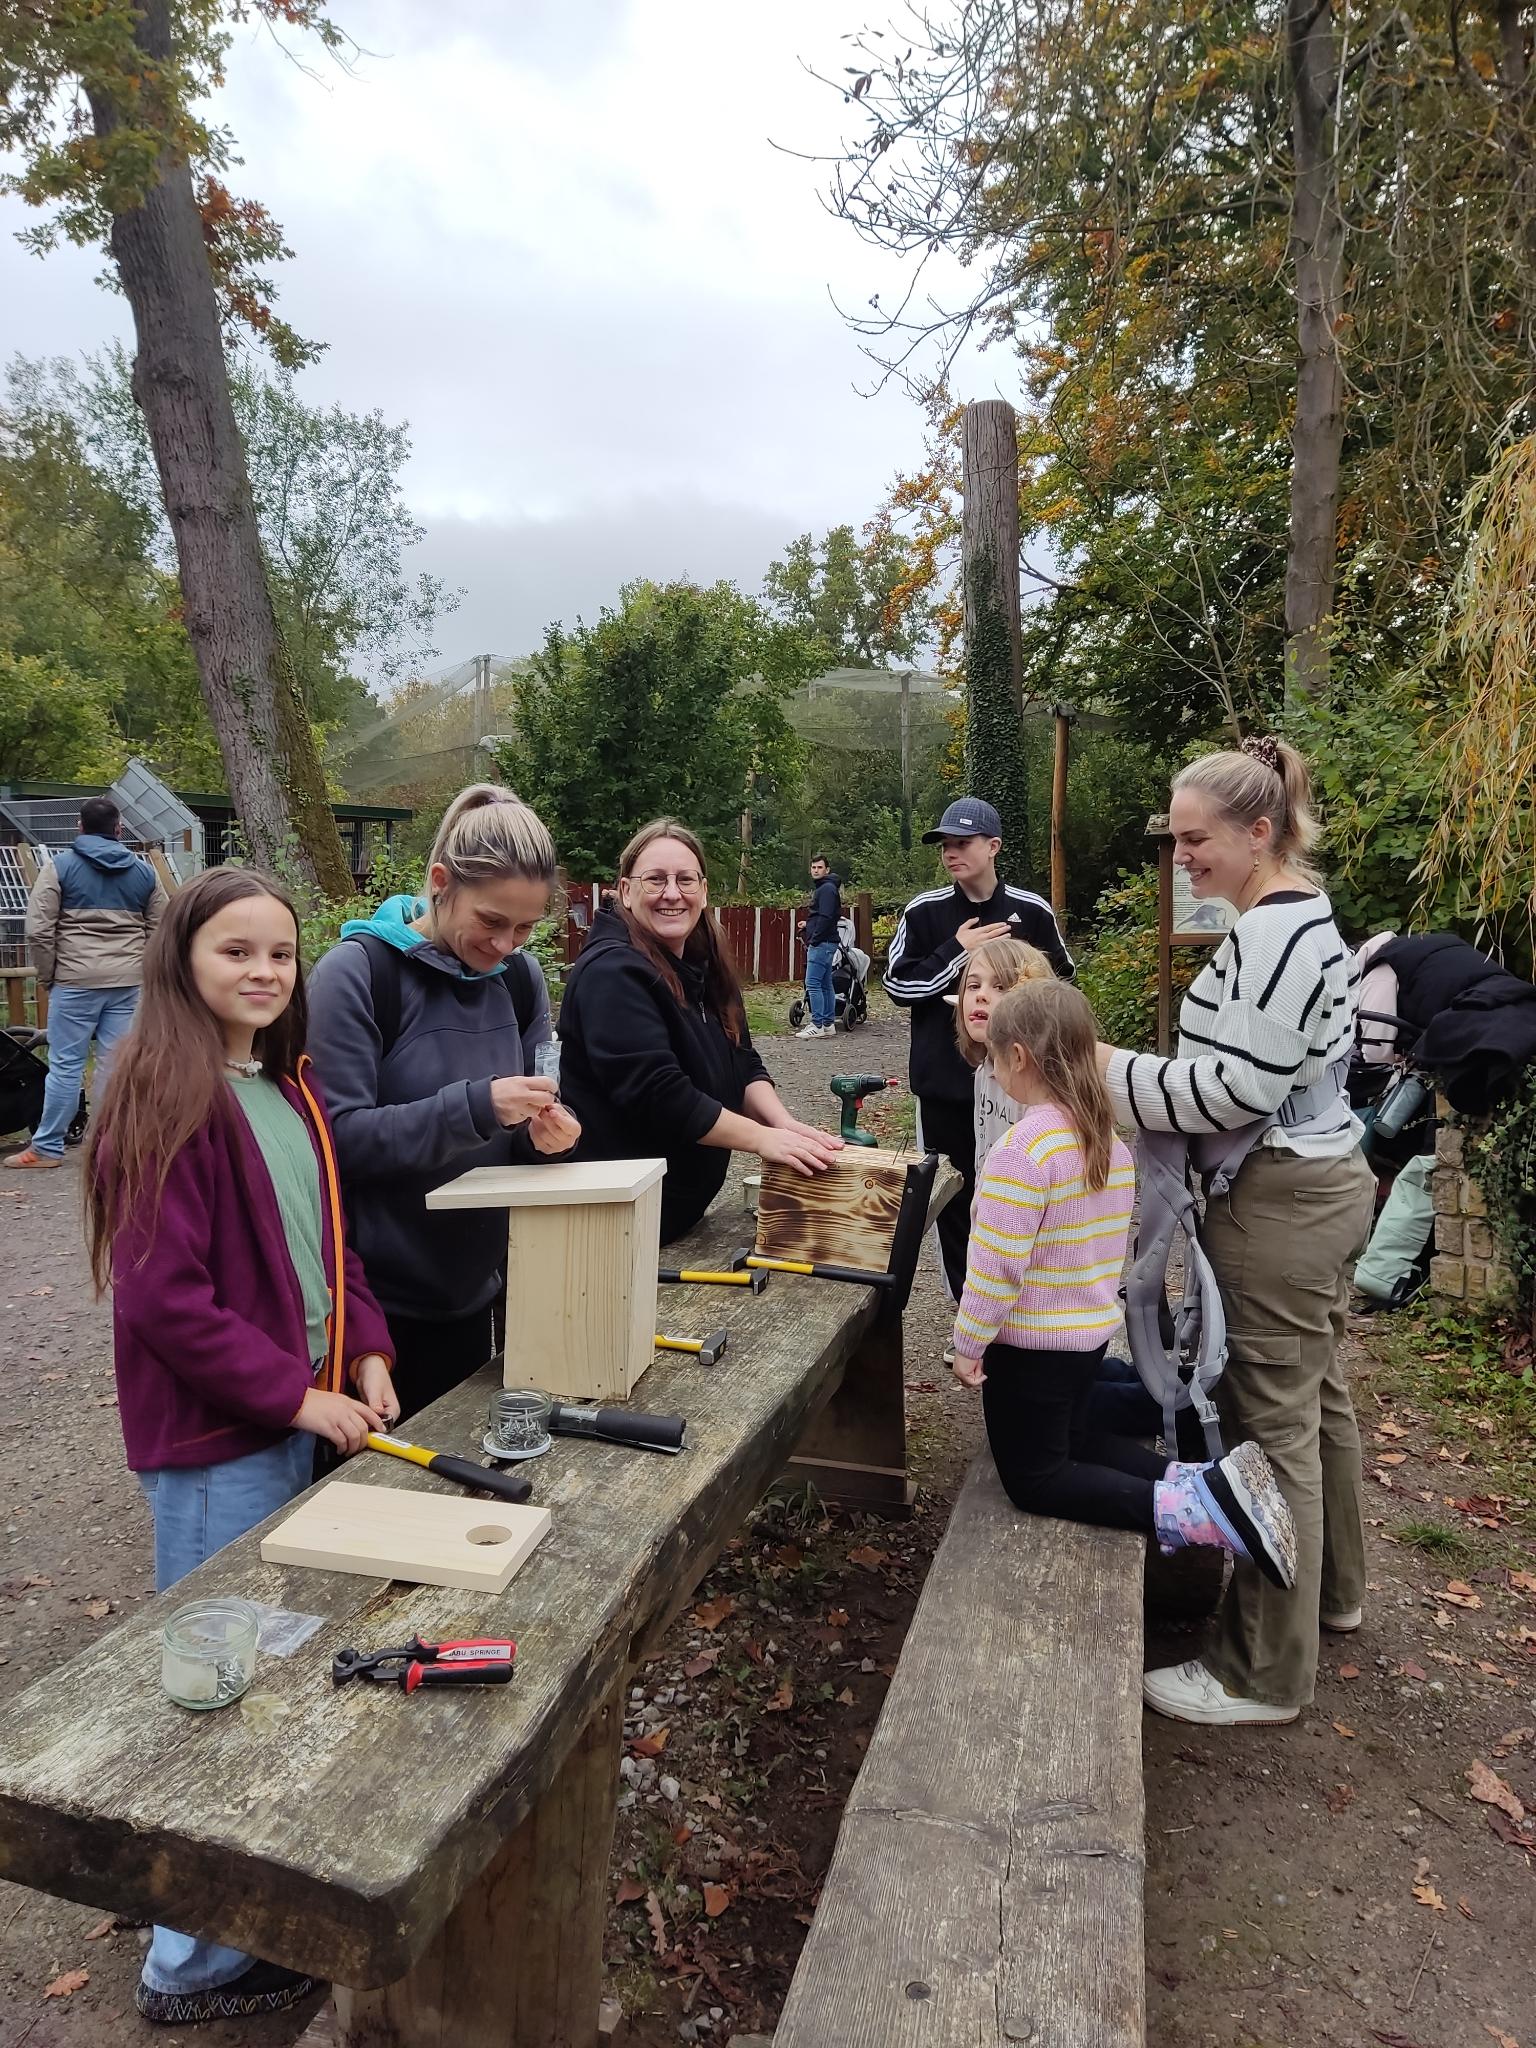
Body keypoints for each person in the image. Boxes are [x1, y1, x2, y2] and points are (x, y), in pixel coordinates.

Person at [84, 866, 396, 2025]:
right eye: (236, 951)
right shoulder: (162, 1091)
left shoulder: (283, 1082)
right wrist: (293, 1396)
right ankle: (191, 1959)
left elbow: (332, 1243)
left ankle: (222, 1898)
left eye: (281, 951)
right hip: (221, 1440)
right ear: (182, 959)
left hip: (291, 1416)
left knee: (262, 1659)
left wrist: (361, 1346)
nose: (264, 971)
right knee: (212, 1684)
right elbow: (166, 1302)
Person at [1097, 736, 1376, 1728]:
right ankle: (1331, 1592)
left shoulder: (1271, 935)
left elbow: (1230, 1088)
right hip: (1327, 1182)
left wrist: (1102, 1066)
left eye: (1194, 839)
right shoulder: (1297, 916)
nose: (1183, 858)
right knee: (1318, 1400)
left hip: (1280, 1202)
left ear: (1258, 830)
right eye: (1175, 841)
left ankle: (1260, 1668)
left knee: (1272, 1429)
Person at [949, 979, 1297, 1587]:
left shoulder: (1022, 1151)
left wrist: (969, 1342)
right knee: (1077, 1439)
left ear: (1018, 1057)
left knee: (1038, 1477)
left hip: (1028, 1350)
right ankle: (1198, 1482)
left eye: (996, 1058)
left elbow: (996, 1266)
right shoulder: (1104, 1140)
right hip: (1083, 1344)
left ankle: (1194, 1512)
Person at [306, 785, 580, 1420]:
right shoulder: (357, 975)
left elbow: (524, 1127)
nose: (507, 944)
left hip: (479, 1293)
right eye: (490, 921)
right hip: (374, 1315)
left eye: (526, 927)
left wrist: (548, 1140)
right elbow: (335, 1143)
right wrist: (478, 1107)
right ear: (439, 883)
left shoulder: (518, 979)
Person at [559, 818, 841, 1243]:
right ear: (626, 890)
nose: (672, 893)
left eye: (685, 880)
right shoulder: (611, 972)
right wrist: (762, 1140)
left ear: (703, 890)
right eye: (655, 880)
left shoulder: (702, 960)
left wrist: (784, 1125)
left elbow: (742, 1060)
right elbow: (659, 1094)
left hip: (669, 1216)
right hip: (613, 1224)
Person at [884, 796, 1074, 1300]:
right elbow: (897, 987)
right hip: (944, 1084)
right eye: (945, 844)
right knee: (952, 1197)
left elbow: (1062, 988)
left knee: (1018, 1196)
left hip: (1021, 1086)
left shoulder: (1031, 910)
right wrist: (956, 955)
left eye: (963, 842)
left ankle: (1021, 1310)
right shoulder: (923, 912)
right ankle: (967, 1311)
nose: (951, 852)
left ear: (993, 847)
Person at [6, 796, 167, 1169]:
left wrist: (50, 975)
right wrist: (141, 968)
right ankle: (108, 1147)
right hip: (127, 983)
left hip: (74, 980)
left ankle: (46, 1148)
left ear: (79, 827)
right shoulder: (145, 873)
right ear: (119, 829)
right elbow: (162, 927)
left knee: (66, 1064)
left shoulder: (59, 868)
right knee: (116, 1063)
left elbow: (38, 929)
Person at [953, 934, 1054, 1165]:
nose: (980, 995)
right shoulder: (985, 1072)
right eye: (973, 985)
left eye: (1000, 987)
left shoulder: (1035, 1085)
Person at [797, 853, 843, 1039]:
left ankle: (816, 1024)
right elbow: (825, 916)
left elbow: (826, 917)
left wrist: (814, 938)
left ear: (827, 870)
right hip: (828, 941)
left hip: (822, 943)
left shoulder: (826, 890)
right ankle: (828, 1023)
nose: (816, 870)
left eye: (819, 867)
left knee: (813, 983)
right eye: (814, 867)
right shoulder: (828, 888)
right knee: (825, 984)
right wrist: (809, 925)